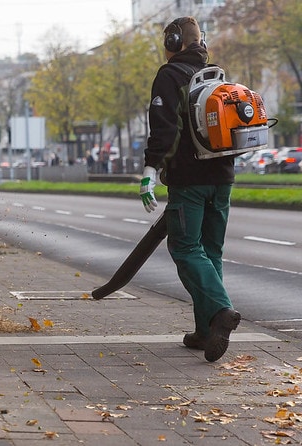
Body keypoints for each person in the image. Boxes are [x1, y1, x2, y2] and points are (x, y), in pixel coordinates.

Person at [139, 16, 240, 362]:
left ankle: (221, 311)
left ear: (173, 41)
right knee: (210, 253)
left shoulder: (169, 77)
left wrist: (150, 170)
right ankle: (205, 331)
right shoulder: (216, 76)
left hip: (189, 181)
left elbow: (165, 131)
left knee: (184, 248)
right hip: (223, 178)